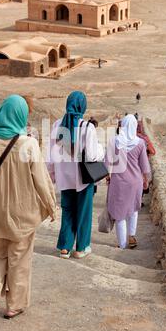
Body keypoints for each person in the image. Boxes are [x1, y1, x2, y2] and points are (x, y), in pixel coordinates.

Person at [0, 95, 57, 319]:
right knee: (19, 257)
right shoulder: (28, 144)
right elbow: (41, 180)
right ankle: (14, 305)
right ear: (22, 116)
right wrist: (51, 206)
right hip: (22, 213)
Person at [47, 91, 104, 259]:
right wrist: (101, 149)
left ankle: (65, 248)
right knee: (84, 212)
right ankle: (81, 248)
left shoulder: (57, 125)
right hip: (83, 179)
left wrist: (51, 175)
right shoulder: (88, 127)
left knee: (68, 211)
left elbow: (51, 154)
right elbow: (93, 156)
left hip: (64, 178)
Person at [106, 114, 151, 250]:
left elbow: (107, 163)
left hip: (119, 182)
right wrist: (146, 180)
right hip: (135, 182)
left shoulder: (114, 141)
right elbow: (145, 166)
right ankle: (132, 236)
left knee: (120, 214)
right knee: (133, 209)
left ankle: (122, 244)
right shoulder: (140, 143)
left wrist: (107, 177)